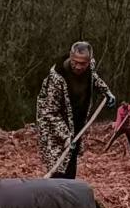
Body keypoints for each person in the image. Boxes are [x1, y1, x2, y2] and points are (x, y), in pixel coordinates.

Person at [36, 41, 116, 179]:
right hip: (54, 125)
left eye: (82, 63)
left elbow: (93, 78)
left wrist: (106, 91)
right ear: (71, 57)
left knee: (71, 161)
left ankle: (69, 186)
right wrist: (65, 135)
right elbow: (49, 112)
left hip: (75, 120)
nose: (78, 67)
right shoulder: (57, 77)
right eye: (75, 62)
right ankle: (55, 189)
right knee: (58, 164)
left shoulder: (89, 68)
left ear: (89, 61)